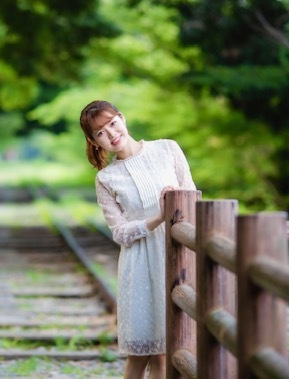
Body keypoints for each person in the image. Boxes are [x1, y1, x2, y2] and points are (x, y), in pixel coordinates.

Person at [79, 100, 197, 379]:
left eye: (112, 123)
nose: (111, 134)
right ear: (94, 142)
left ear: (122, 118)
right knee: (141, 354)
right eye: (100, 133)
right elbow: (119, 232)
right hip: (140, 264)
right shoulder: (106, 178)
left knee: (169, 352)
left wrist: (177, 201)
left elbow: (192, 197)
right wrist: (159, 215)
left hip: (176, 256)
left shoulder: (167, 149)